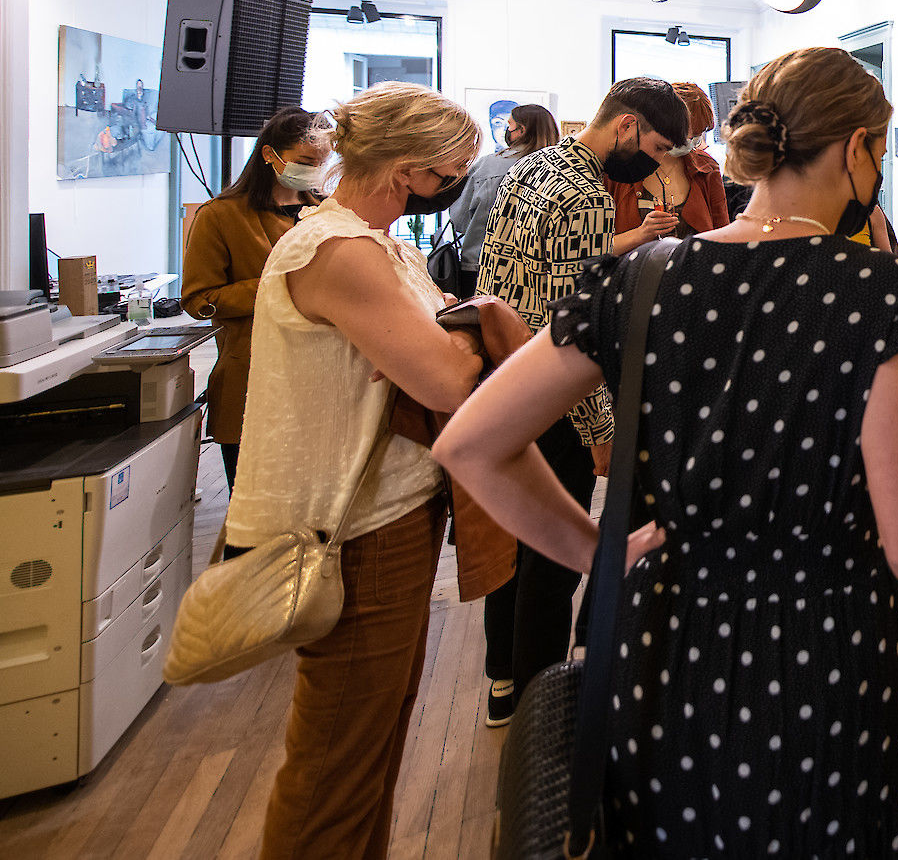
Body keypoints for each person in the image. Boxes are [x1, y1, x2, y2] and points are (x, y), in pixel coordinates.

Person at [438, 45, 898, 855]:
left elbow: (473, 443)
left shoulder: (644, 278)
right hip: (826, 661)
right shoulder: (881, 294)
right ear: (856, 150)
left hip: (667, 655)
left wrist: (592, 551)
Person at [222, 83, 530, 860]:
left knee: (374, 739)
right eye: (452, 169)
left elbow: (443, 341)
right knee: (339, 760)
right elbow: (449, 379)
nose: (457, 182)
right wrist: (462, 339)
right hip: (354, 528)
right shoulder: (340, 251)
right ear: (409, 169)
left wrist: (446, 337)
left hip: (390, 515)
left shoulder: (378, 246)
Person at [472, 78, 687, 726]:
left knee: (514, 540)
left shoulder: (532, 166)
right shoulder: (586, 192)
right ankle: (538, 705)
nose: (653, 163)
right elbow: (575, 327)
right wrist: (599, 429)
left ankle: (503, 679)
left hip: (504, 376)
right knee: (553, 559)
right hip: (553, 401)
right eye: (655, 148)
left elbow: (507, 277)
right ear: (627, 126)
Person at [181, 107, 328, 492]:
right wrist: (280, 285)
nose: (313, 171)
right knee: (255, 507)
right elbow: (198, 299)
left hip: (321, 377)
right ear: (269, 154)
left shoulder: (327, 212)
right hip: (252, 377)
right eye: (305, 162)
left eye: (321, 163)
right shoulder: (220, 216)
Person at [449, 103, 559, 298]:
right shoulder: (559, 171)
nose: (507, 131)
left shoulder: (487, 165)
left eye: (509, 125)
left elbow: (460, 221)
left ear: (521, 130)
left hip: (481, 266)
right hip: (540, 272)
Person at [606, 81, 730, 235]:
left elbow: (722, 234)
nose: (691, 141)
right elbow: (597, 245)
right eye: (685, 135)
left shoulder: (707, 168)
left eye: (697, 135)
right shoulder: (617, 167)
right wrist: (639, 235)